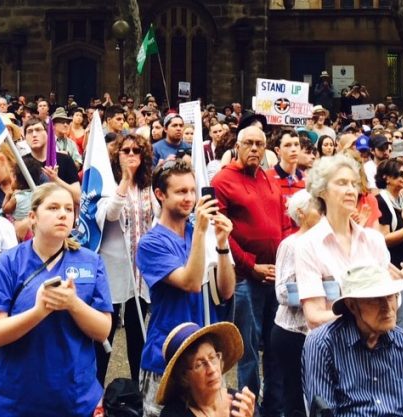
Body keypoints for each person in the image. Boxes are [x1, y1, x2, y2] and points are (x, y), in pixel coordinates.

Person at [0, 183, 113, 416]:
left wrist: (73, 304)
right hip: (15, 400)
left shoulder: (91, 262)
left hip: (73, 399)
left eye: (69, 209)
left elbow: (103, 331)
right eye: (53, 207)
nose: (63, 214)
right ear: (33, 217)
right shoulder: (7, 264)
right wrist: (39, 311)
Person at [137, 160, 236, 417]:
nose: (190, 198)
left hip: (205, 351)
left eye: (192, 191)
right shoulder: (151, 242)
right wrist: (203, 233)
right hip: (168, 354)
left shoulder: (199, 231)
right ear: (160, 194)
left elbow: (226, 290)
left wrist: (223, 245)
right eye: (181, 192)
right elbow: (190, 283)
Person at [211, 126, 285, 405]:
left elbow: (282, 224)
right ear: (237, 147)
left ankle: (274, 408)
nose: (255, 148)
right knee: (248, 351)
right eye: (249, 143)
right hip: (244, 279)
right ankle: (248, 409)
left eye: (260, 144)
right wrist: (252, 266)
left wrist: (282, 263)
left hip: (274, 277)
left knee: (276, 347)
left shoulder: (269, 179)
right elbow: (221, 233)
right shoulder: (223, 181)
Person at [302, 266, 403, 417]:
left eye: (391, 296)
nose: (387, 308)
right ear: (352, 305)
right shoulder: (322, 344)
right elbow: (323, 412)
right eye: (375, 300)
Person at [295, 154, 394, 331]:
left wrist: (395, 287)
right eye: (342, 183)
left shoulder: (374, 240)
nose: (351, 190)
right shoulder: (308, 245)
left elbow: (392, 304)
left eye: (353, 184)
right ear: (322, 191)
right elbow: (314, 317)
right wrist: (365, 315)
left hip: (376, 344)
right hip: (332, 348)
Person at [96, 133, 157, 385]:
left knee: (137, 331)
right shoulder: (107, 183)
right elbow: (109, 215)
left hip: (140, 269)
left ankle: (137, 391)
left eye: (136, 151)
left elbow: (158, 218)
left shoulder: (149, 187)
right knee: (105, 332)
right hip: (113, 266)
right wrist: (124, 181)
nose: (131, 155)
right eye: (126, 150)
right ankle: (96, 390)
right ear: (117, 155)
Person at [271, 190, 322, 417]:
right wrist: (315, 294)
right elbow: (281, 292)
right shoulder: (291, 245)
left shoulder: (325, 243)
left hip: (318, 330)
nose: (321, 211)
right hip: (292, 331)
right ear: (301, 213)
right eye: (315, 206)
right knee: (295, 397)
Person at [155, 322, 255, 417]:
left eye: (213, 357)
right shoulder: (173, 414)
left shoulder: (240, 404)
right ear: (184, 376)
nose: (212, 369)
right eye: (199, 364)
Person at [373, 159, 403, 334]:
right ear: (386, 178)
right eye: (400, 174)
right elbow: (384, 238)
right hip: (394, 266)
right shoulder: (380, 201)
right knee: (398, 318)